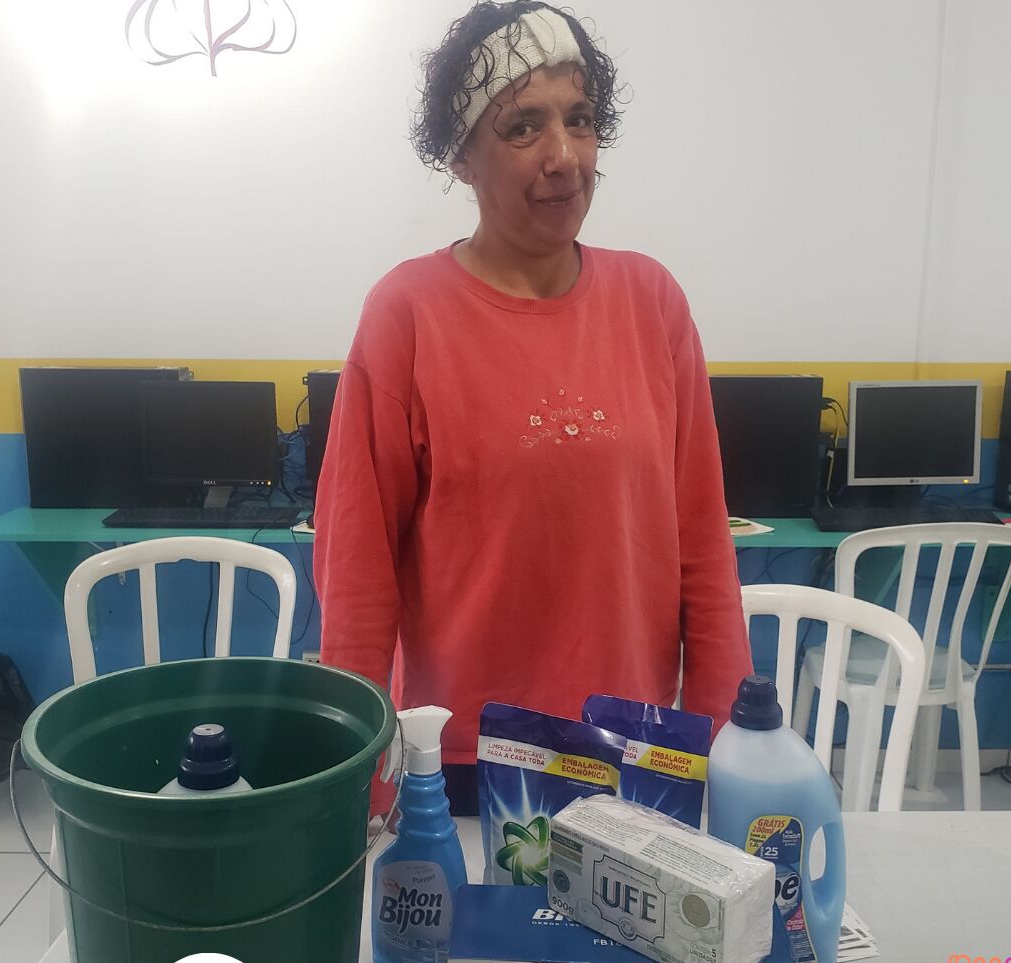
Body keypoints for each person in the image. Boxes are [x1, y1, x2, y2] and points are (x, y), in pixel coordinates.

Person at [315, 1, 751, 816]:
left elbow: (703, 542)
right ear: (461, 156)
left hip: (632, 756)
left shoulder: (651, 302)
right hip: (464, 767)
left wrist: (728, 743)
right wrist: (357, 776)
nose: (564, 158)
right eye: (522, 127)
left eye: (579, 120)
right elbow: (358, 576)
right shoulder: (408, 315)